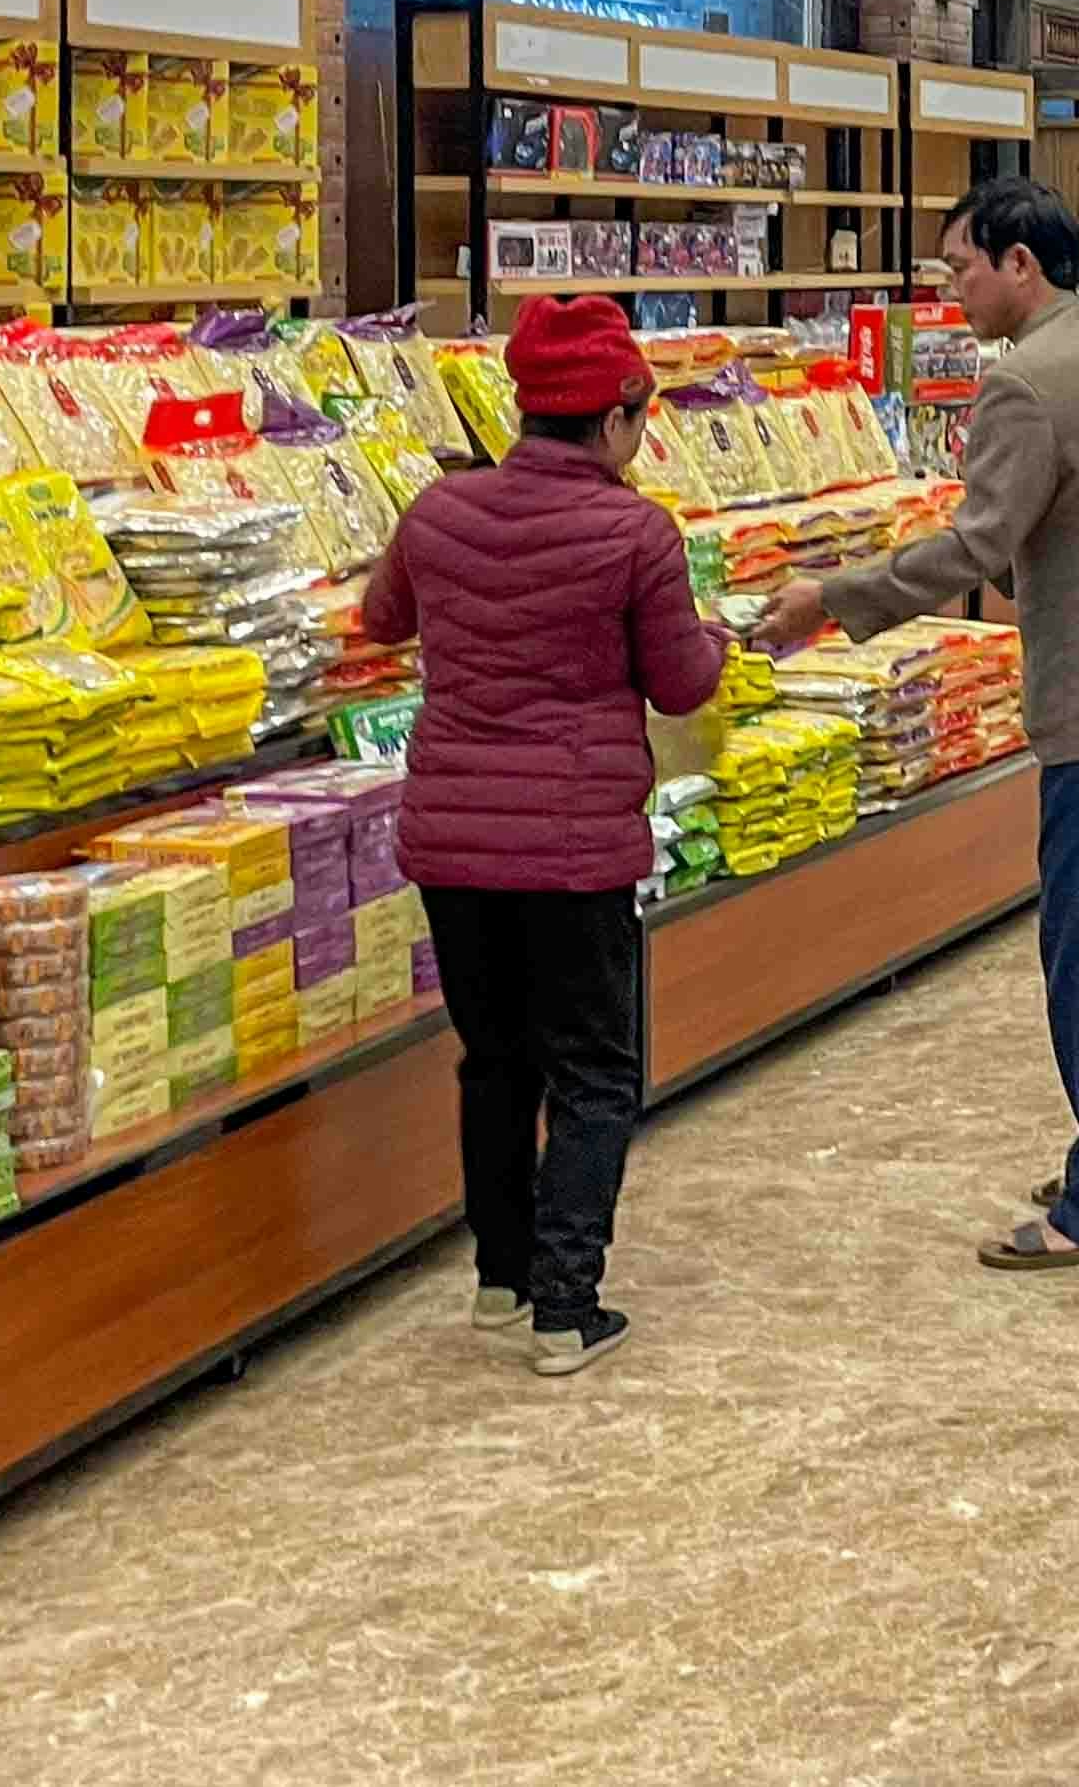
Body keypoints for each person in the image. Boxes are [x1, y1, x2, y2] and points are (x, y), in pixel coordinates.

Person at [760, 177, 1079, 1273]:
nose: (950, 288)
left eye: (959, 268)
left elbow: (975, 546)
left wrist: (833, 599)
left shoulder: (1026, 381)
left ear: (1022, 264)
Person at [362, 294, 728, 1379]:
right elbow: (680, 682)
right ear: (616, 417)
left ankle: (503, 1275)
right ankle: (568, 1305)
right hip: (571, 849)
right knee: (596, 1071)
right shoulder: (636, 532)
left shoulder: (438, 511)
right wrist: (711, 632)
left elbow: (382, 621)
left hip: (452, 844)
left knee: (496, 1060)